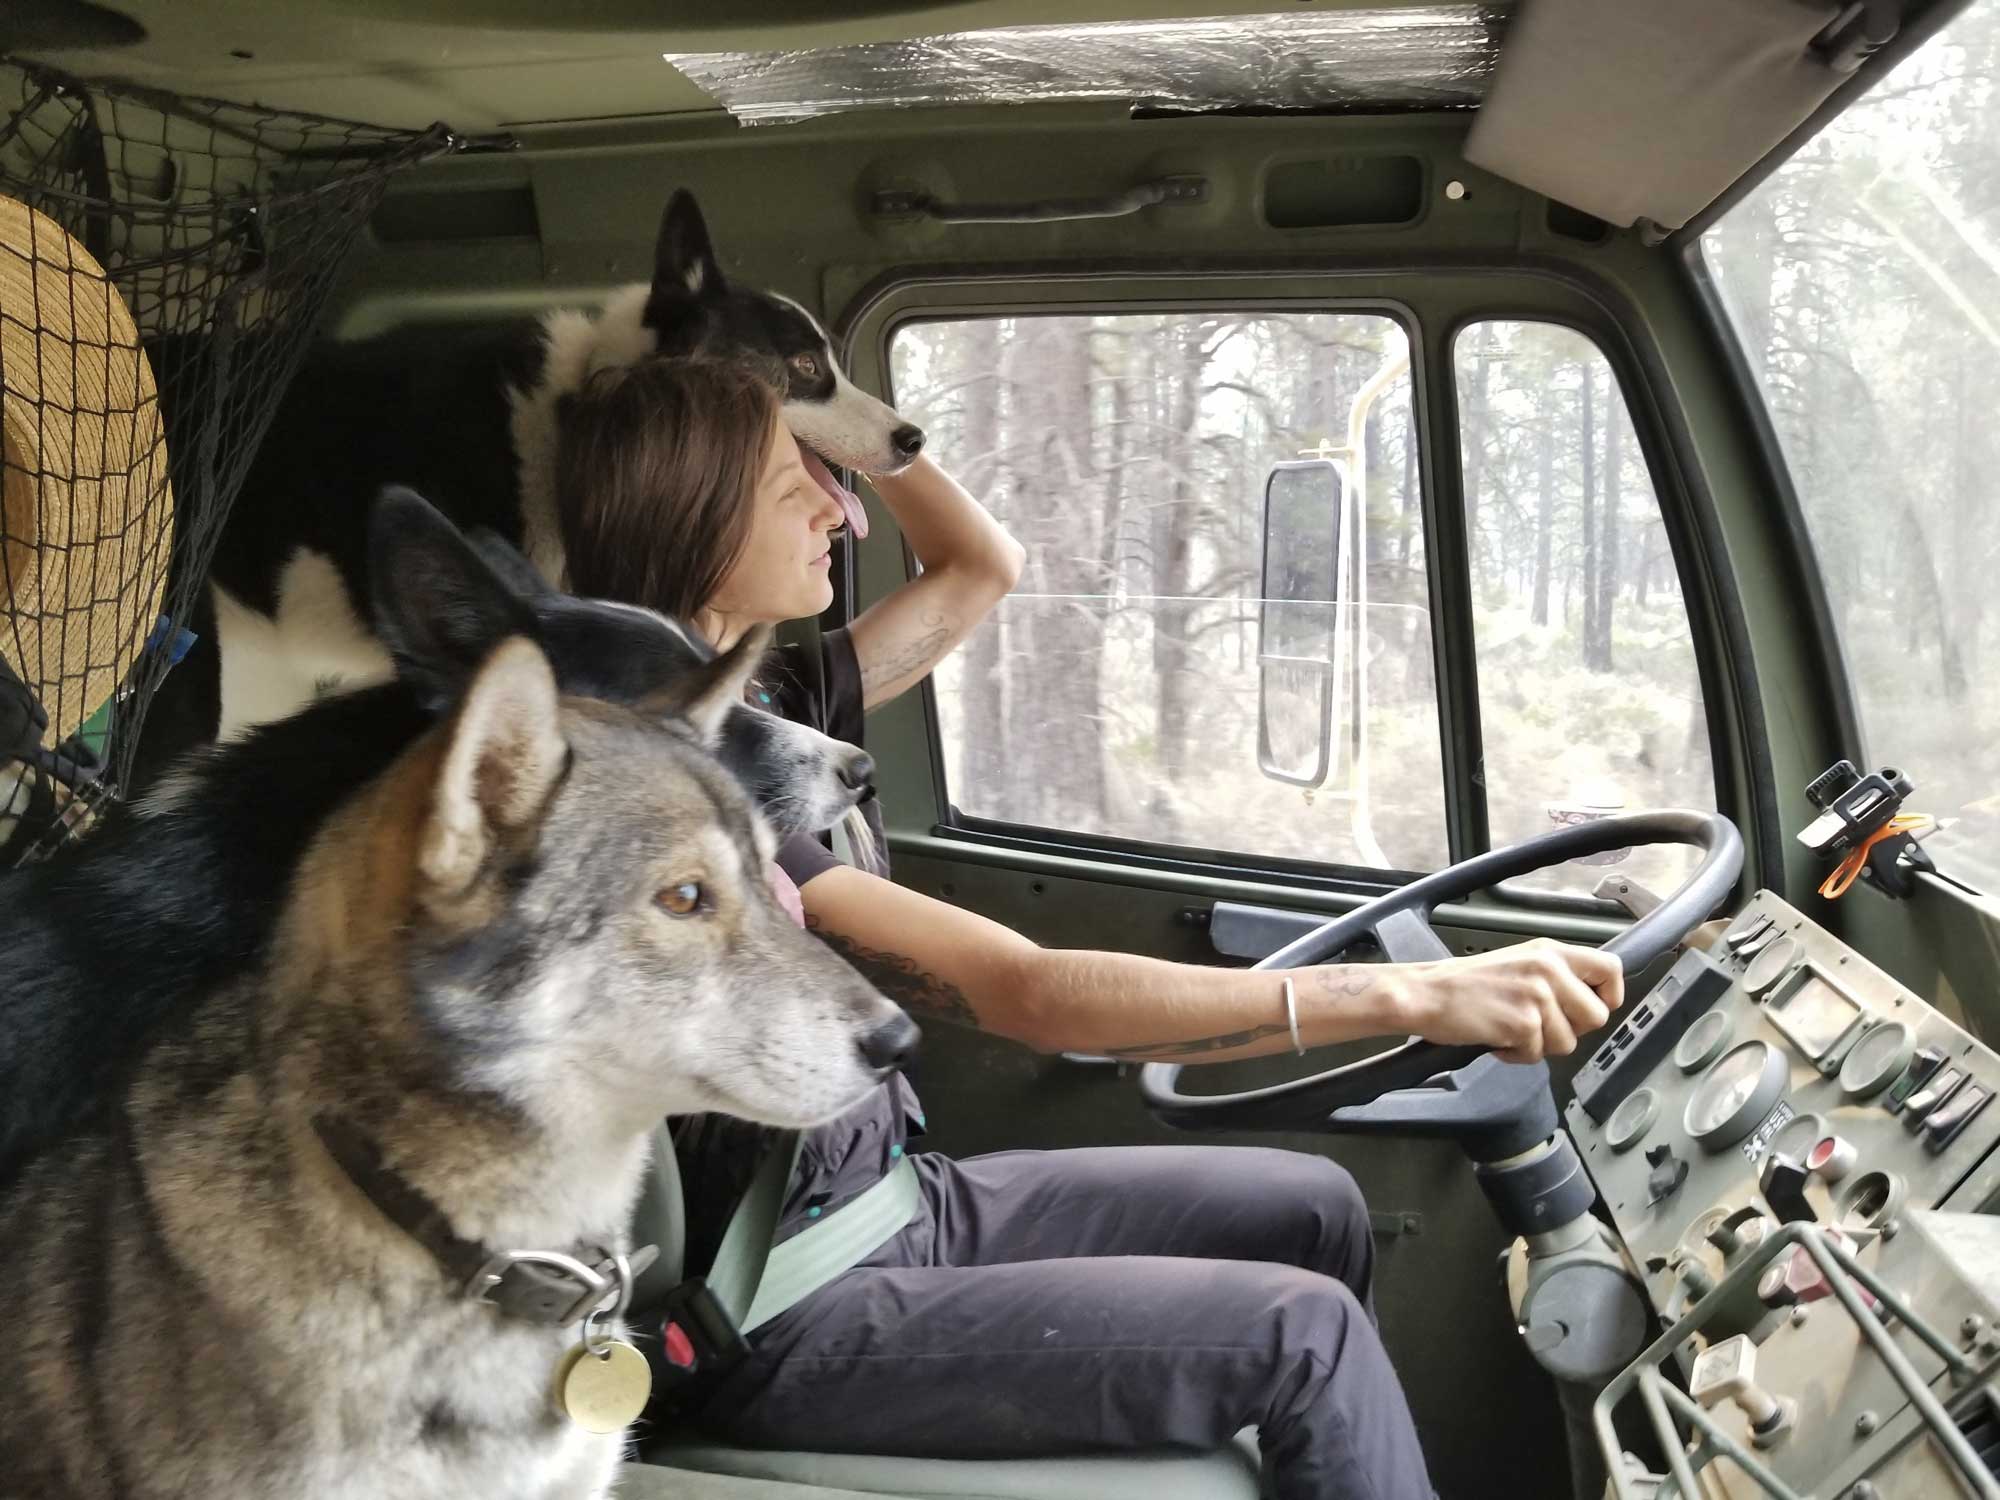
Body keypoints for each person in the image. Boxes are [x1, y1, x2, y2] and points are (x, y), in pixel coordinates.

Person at [556, 358, 1624, 1500]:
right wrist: (1408, 994)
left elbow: (981, 567)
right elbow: (1027, 992)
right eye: (795, 484)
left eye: (833, 472)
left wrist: (857, 422)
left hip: (898, 1202)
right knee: (1301, 1338)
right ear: (694, 518)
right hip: (775, 1299)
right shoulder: (690, 790)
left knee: (1312, 1207)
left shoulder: (771, 702)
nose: (841, 507)